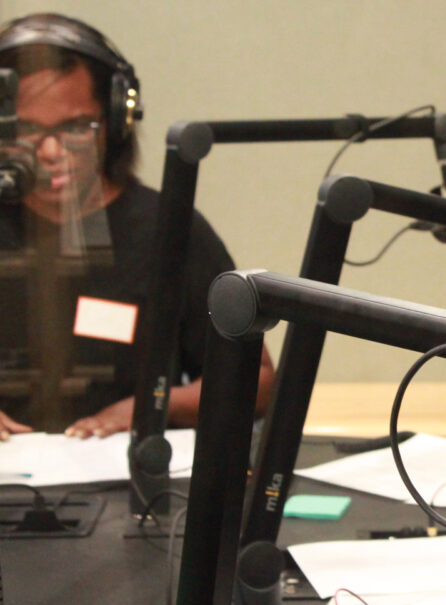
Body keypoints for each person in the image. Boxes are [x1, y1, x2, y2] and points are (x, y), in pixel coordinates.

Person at [0, 13, 274, 440]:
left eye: (75, 127)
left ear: (116, 120)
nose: (51, 150)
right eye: (27, 130)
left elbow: (254, 381)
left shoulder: (167, 229)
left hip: (124, 482)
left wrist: (151, 407)